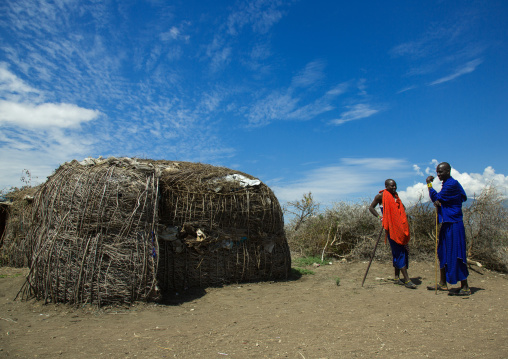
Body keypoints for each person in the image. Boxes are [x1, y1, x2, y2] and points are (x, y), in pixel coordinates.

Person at [426, 162, 471, 296]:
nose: (438, 175)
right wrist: (441, 202)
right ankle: (443, 283)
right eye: (437, 172)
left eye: (441, 172)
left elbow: (436, 197)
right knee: (443, 251)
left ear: (448, 171)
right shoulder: (447, 184)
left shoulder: (451, 184)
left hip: (454, 223)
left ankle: (465, 287)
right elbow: (445, 199)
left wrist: (429, 184)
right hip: (447, 223)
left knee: (457, 253)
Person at [369, 179, 417, 289]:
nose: (394, 188)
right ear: (386, 186)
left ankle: (396, 277)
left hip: (400, 227)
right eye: (392, 186)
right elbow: (371, 207)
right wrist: (379, 217)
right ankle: (407, 280)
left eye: (395, 186)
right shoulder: (380, 196)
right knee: (399, 251)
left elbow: (401, 207)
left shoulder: (396, 196)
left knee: (400, 251)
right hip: (391, 228)